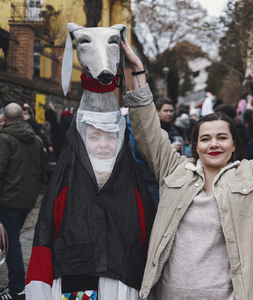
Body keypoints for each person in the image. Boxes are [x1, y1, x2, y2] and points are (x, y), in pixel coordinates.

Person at [122, 39, 253, 300]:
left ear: (234, 144)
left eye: (222, 138)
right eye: (205, 139)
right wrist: (137, 73)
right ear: (195, 146)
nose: (213, 144)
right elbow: (147, 132)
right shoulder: (174, 171)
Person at [25, 104, 157, 299]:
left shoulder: (133, 185)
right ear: (82, 139)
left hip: (122, 282)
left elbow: (149, 241)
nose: (103, 144)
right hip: (75, 274)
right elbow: (46, 234)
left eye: (110, 136)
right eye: (94, 136)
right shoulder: (65, 184)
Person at [0, 103, 46, 300]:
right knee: (11, 239)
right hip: (27, 199)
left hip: (10, 199)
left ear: (4, 118)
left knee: (11, 242)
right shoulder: (36, 140)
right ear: (22, 117)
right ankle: (16, 285)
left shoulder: (5, 139)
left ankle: (17, 288)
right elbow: (42, 170)